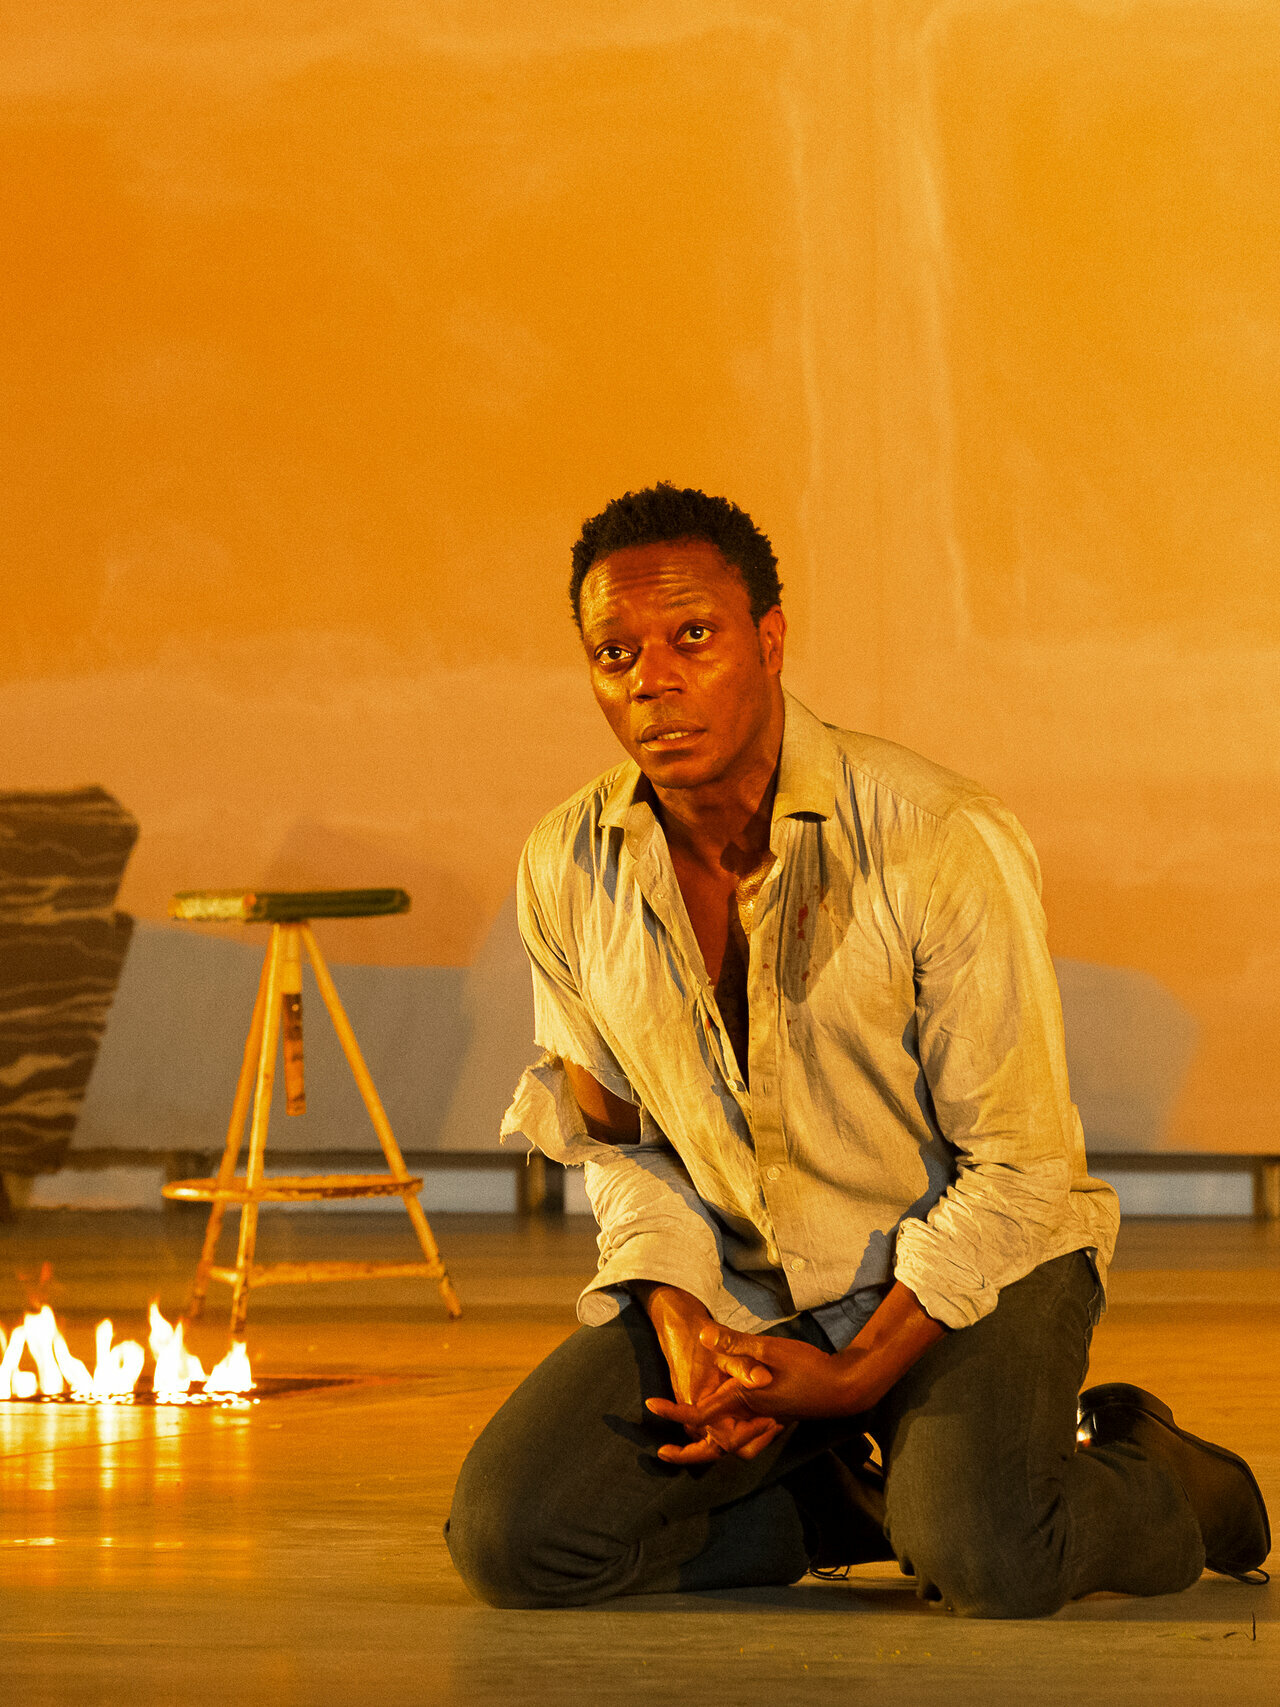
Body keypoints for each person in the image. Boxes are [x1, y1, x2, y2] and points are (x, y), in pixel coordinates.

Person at [444, 484, 1267, 1617]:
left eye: (693, 637)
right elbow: (620, 1144)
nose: (650, 681)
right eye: (614, 653)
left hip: (975, 1268)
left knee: (991, 1560)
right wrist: (682, 1318)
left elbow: (1019, 1171)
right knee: (516, 1541)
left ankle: (1161, 1478)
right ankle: (866, 1497)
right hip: (747, 1283)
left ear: (769, 640)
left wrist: (852, 1374)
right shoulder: (569, 864)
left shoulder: (938, 838)